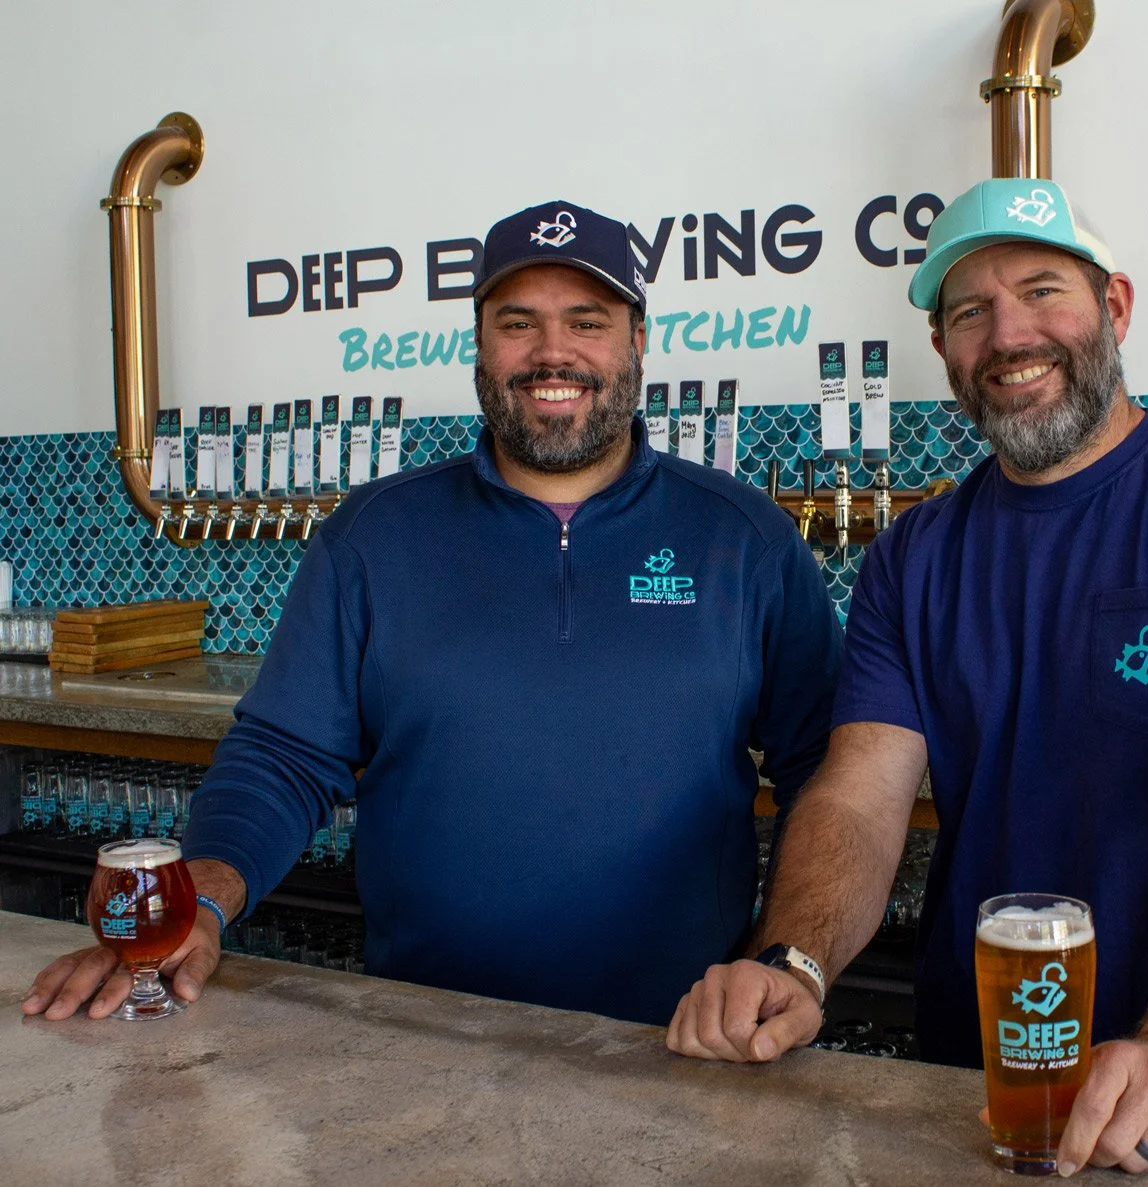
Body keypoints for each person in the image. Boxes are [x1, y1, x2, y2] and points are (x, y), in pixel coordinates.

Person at [666, 177, 1148, 1176]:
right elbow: (859, 796)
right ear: (944, 348)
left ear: (1113, 308)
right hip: (975, 1090)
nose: (1009, 332)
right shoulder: (914, 554)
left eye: (1042, 292)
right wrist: (794, 960)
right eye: (971, 311)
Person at [23, 199, 842, 1027]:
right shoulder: (373, 537)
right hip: (424, 1037)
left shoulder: (745, 540)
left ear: (638, 339)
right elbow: (281, 754)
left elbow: (830, 777)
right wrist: (198, 900)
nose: (552, 352)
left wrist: (788, 959)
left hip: (685, 1040)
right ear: (479, 342)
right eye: (517, 323)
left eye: (586, 322)